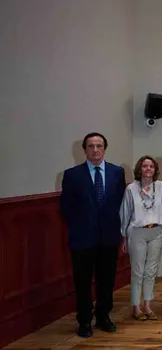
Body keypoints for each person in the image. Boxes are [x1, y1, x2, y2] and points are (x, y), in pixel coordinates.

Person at [60, 132, 126, 338]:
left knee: (106, 280)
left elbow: (121, 203)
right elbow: (65, 208)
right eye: (91, 146)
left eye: (99, 145)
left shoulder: (117, 172)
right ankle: (84, 321)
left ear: (105, 148)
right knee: (83, 281)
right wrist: (81, 226)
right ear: (85, 149)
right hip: (82, 239)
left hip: (109, 237)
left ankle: (104, 316)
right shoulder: (72, 175)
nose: (95, 149)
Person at [120, 155, 162, 321]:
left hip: (157, 231)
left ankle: (148, 306)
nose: (148, 169)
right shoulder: (131, 189)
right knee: (137, 271)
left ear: (155, 170)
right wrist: (123, 237)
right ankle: (136, 307)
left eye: (151, 166)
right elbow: (125, 213)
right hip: (137, 232)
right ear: (139, 169)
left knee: (151, 271)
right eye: (145, 166)